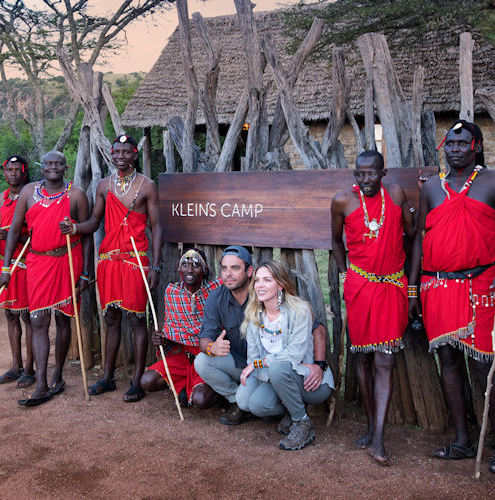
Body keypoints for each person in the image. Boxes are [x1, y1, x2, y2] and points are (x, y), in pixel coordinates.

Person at [410, 120, 495, 475]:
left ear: (476, 145)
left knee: (486, 365)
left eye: (462, 143)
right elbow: (418, 242)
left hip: (482, 285)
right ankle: (461, 440)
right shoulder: (432, 189)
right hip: (438, 287)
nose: (455, 149)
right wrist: (413, 290)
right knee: (449, 361)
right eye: (450, 144)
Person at [60, 134, 162, 403]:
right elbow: (94, 221)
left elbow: (157, 227)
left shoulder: (147, 186)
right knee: (111, 319)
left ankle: (138, 380)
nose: (120, 156)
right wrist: (75, 228)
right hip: (108, 261)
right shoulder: (104, 186)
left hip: (134, 260)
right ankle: (107, 377)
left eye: (126, 152)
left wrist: (157, 265)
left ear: (135, 154)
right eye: (116, 152)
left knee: (137, 320)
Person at [330, 150, 413, 465]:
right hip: (360, 286)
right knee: (361, 359)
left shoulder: (395, 194)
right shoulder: (342, 201)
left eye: (372, 174)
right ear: (355, 174)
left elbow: (411, 231)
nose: (366, 180)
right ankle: (369, 426)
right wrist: (344, 272)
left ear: (384, 172)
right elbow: (336, 240)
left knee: (385, 360)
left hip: (391, 285)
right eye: (360, 174)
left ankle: (378, 438)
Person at [0, 151, 92, 407]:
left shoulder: (77, 195)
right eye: (49, 164)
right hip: (38, 262)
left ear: (65, 166)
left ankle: (57, 377)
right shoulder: (29, 193)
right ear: (43, 167)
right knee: (39, 319)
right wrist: (6, 267)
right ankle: (40, 384)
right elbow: (15, 231)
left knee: (63, 321)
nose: (53, 168)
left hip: (67, 260)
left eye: (58, 164)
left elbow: (86, 236)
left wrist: (84, 272)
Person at [235, 261, 334, 450]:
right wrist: (269, 375)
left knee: (279, 366)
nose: (260, 285)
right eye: (257, 280)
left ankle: (302, 423)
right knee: (252, 404)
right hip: (276, 377)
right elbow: (252, 360)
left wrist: (261, 363)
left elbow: (293, 356)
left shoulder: (299, 310)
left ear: (280, 284)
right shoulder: (253, 314)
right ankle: (291, 407)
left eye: (267, 280)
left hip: (309, 380)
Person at [140, 248, 223, 408]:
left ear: (205, 269)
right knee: (147, 381)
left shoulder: (216, 290)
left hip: (207, 357)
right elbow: (172, 334)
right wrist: (162, 339)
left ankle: (214, 392)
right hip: (183, 356)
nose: (190, 270)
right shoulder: (172, 293)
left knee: (201, 400)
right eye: (185, 264)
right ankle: (187, 386)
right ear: (179, 268)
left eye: (196, 265)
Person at [0, 155, 35, 388]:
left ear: (24, 172)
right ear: (3, 172)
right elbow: (1, 227)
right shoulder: (0, 199)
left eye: (17, 169)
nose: (12, 173)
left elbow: (36, 236)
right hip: (3, 265)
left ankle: (30, 368)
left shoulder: (33, 197)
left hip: (24, 263)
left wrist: (10, 236)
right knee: (10, 315)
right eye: (8, 169)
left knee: (28, 316)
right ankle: (15, 366)